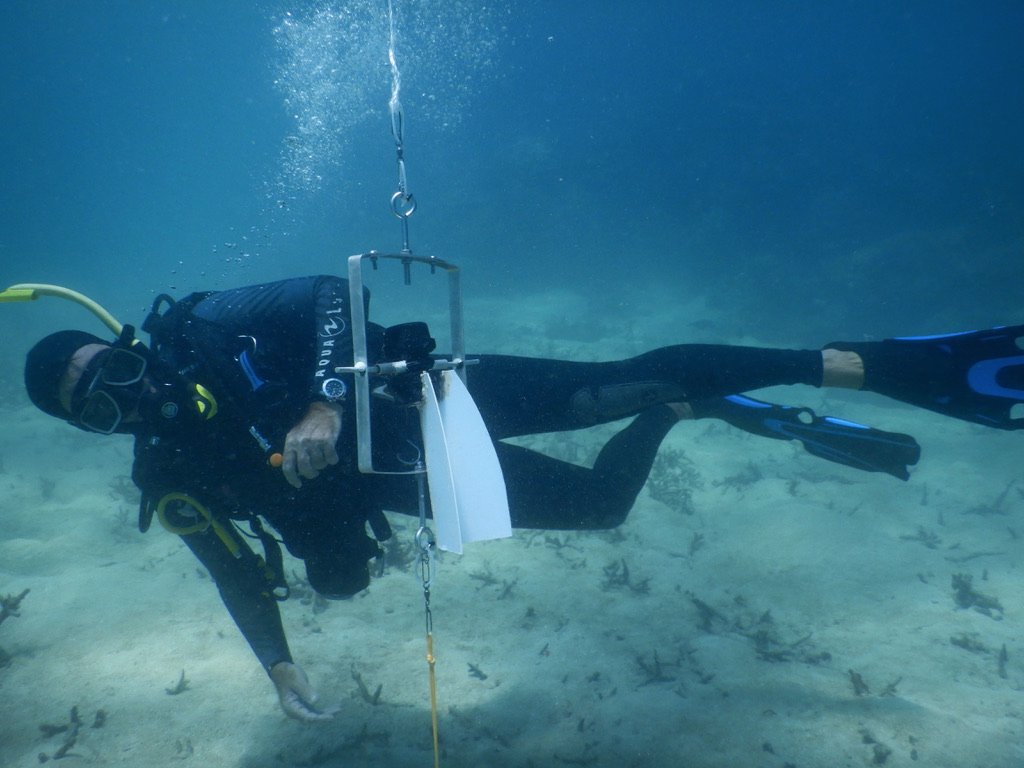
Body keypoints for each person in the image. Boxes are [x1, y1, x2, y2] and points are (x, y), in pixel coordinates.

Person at [21, 275, 1024, 721]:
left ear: (127, 347)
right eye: (95, 412)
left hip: (438, 397)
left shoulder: (200, 328)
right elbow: (233, 573)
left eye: (109, 373)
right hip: (429, 481)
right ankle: (691, 410)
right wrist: (278, 668)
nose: (122, 401)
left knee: (614, 380)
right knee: (601, 510)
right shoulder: (169, 475)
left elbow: (329, 295)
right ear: (87, 430)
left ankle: (869, 364)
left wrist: (322, 406)